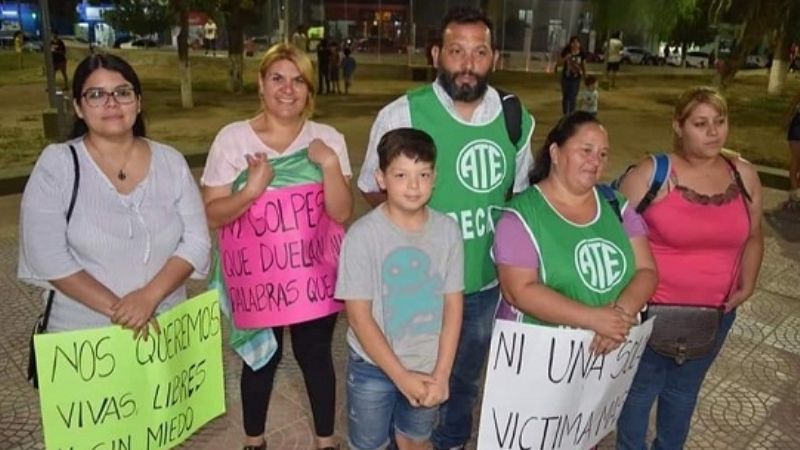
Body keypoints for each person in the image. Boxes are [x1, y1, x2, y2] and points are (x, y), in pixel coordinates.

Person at [357, 7, 535, 450]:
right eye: (457, 51)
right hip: (417, 282)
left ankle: (451, 441)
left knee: (463, 380)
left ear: (494, 57)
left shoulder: (515, 119)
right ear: (437, 54)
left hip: (480, 283)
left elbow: (517, 197)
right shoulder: (403, 113)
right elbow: (371, 188)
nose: (468, 63)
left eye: (479, 52)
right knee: (405, 372)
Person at [201, 43, 352, 450]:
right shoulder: (233, 140)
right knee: (260, 361)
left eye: (298, 80)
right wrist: (251, 191)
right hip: (256, 281)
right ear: (261, 85)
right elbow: (213, 214)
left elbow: (340, 213)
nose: (288, 89)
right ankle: (255, 441)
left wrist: (331, 166)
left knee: (316, 358)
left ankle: (325, 441)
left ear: (310, 89)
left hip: (312, 279)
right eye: (278, 78)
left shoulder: (327, 139)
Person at [18, 53, 210, 336]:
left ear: (139, 102)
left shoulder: (171, 162)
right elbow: (47, 257)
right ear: (79, 108)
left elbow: (197, 242)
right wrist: (122, 310)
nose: (111, 103)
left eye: (122, 92)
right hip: (84, 341)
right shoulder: (57, 165)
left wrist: (148, 299)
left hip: (166, 331)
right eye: (96, 94)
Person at [615, 86, 764, 450]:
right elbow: (614, 242)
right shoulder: (652, 174)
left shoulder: (742, 174)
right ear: (679, 127)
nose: (713, 131)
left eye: (720, 121)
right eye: (701, 123)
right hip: (651, 313)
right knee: (638, 394)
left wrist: (748, 283)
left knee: (683, 394)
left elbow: (754, 234)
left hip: (713, 316)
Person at [337, 128, 464, 450]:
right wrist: (400, 376)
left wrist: (443, 372)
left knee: (415, 439)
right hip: (372, 366)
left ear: (435, 177)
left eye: (423, 174)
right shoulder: (362, 236)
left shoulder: (448, 231)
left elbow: (453, 305)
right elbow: (359, 317)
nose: (413, 185)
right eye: (401, 174)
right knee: (369, 444)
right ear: (381, 178)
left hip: (427, 364)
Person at [494, 111, 655, 355]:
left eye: (603, 154)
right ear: (555, 153)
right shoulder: (520, 217)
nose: (596, 160)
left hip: (607, 359)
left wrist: (619, 318)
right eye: (586, 150)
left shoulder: (616, 205)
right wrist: (593, 319)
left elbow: (647, 270)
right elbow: (519, 291)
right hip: (541, 359)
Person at [559, 36, 586, 115]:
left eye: (577, 42)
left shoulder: (581, 53)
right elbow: (559, 62)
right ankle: (565, 114)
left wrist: (585, 75)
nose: (575, 44)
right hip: (566, 77)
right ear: (570, 44)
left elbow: (583, 65)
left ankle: (571, 115)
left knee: (573, 97)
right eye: (573, 42)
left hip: (576, 78)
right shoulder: (566, 52)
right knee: (566, 97)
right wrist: (565, 58)